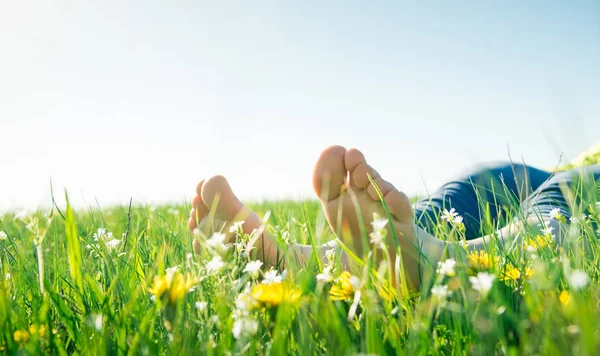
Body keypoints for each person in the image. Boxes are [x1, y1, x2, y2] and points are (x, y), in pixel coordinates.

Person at [188, 145, 600, 290]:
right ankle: (322, 259)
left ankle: (447, 259)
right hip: (555, 164)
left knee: (563, 195)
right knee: (472, 188)